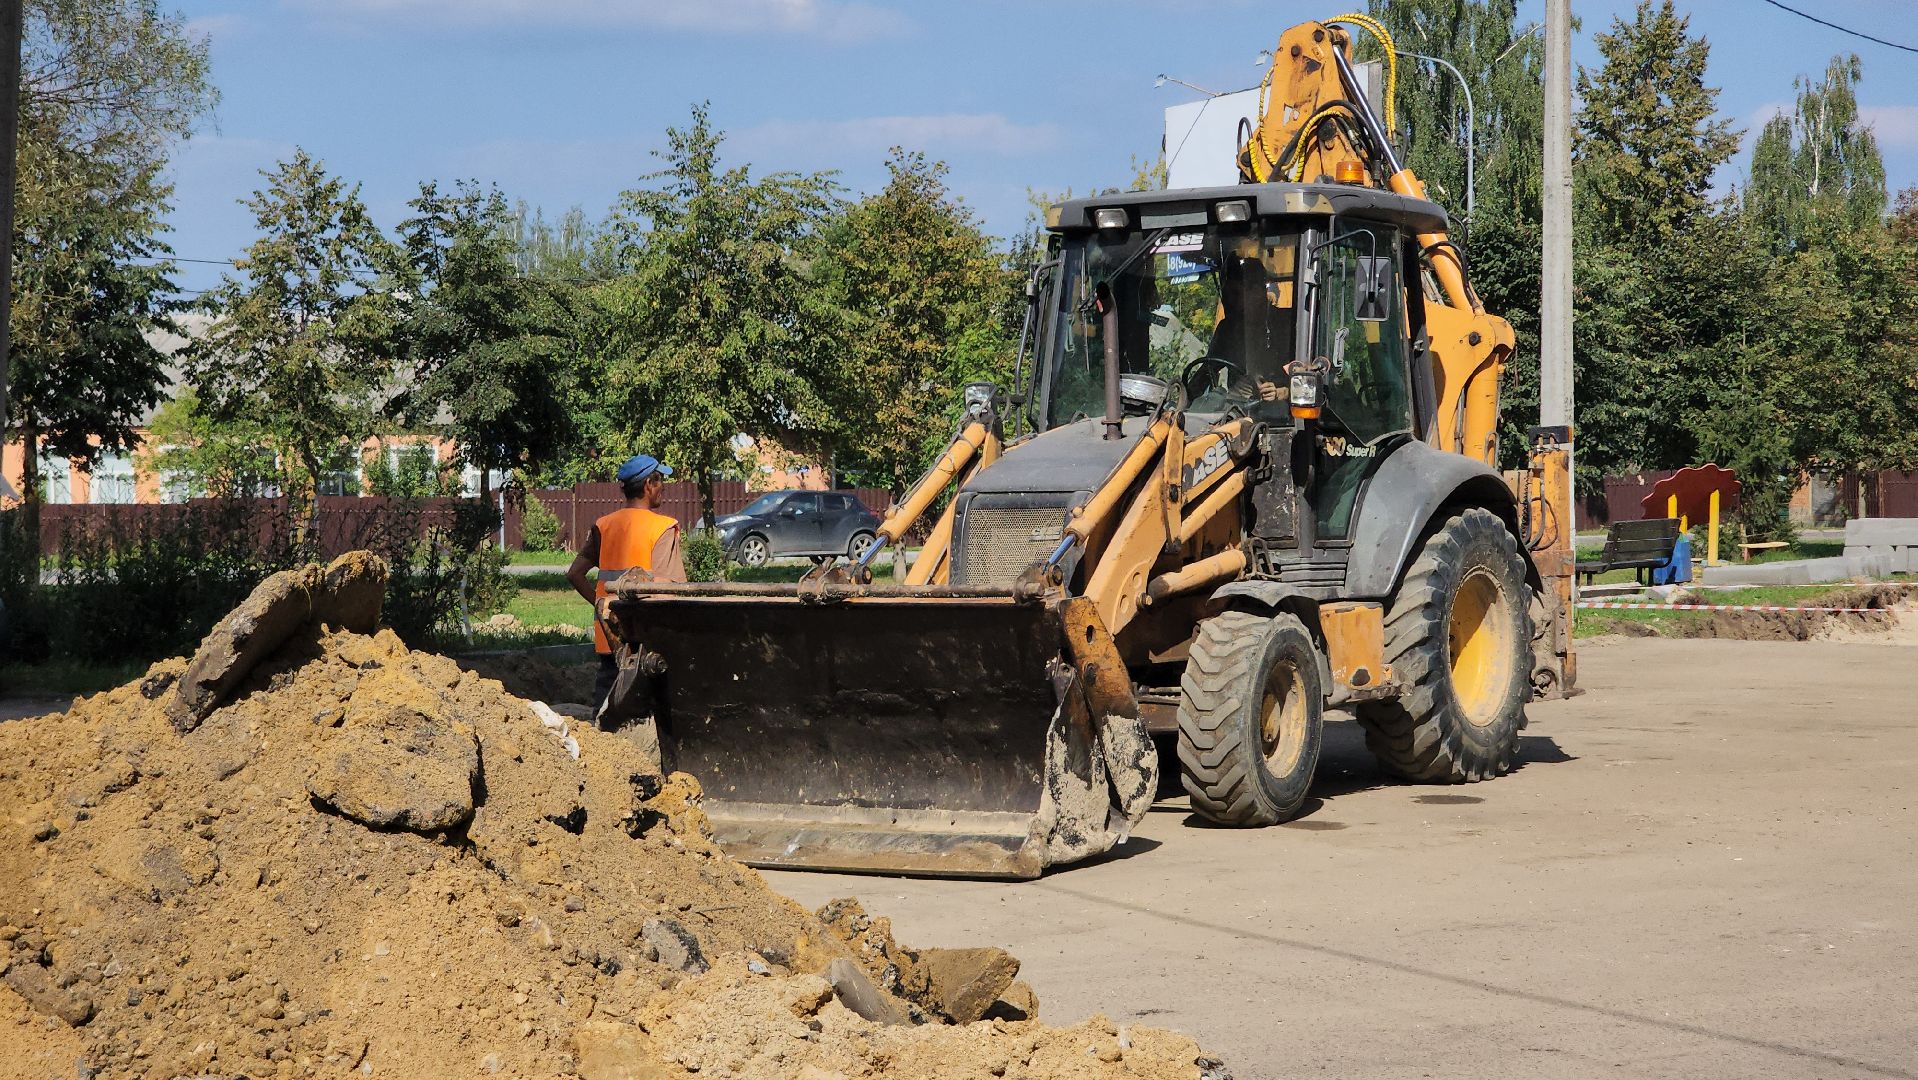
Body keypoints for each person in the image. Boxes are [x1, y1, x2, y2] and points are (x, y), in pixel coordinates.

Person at [567, 454, 687, 709]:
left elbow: (575, 573)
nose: (663, 487)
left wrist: (601, 605)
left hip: (611, 637)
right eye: (660, 480)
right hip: (648, 640)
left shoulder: (604, 525)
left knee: (606, 712)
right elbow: (671, 592)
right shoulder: (663, 528)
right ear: (648, 485)